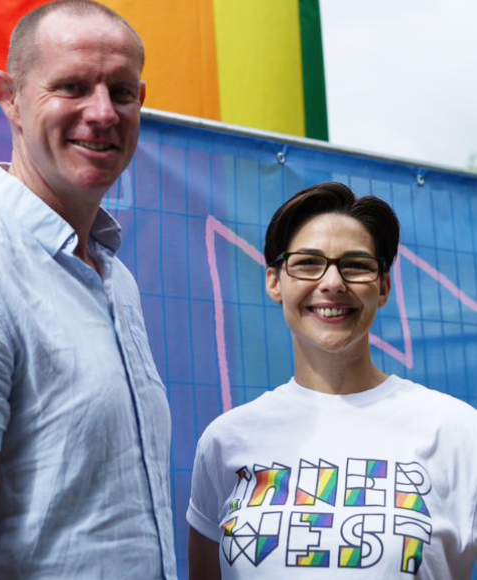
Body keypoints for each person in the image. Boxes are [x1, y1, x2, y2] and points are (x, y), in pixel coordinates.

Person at [0, 2, 177, 579]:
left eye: (121, 92)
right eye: (72, 87)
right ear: (9, 97)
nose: (101, 113)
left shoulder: (112, 278)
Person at [187, 182, 477, 579]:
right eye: (308, 263)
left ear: (384, 287)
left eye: (356, 265)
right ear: (275, 282)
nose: (333, 283)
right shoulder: (224, 441)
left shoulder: (458, 432)